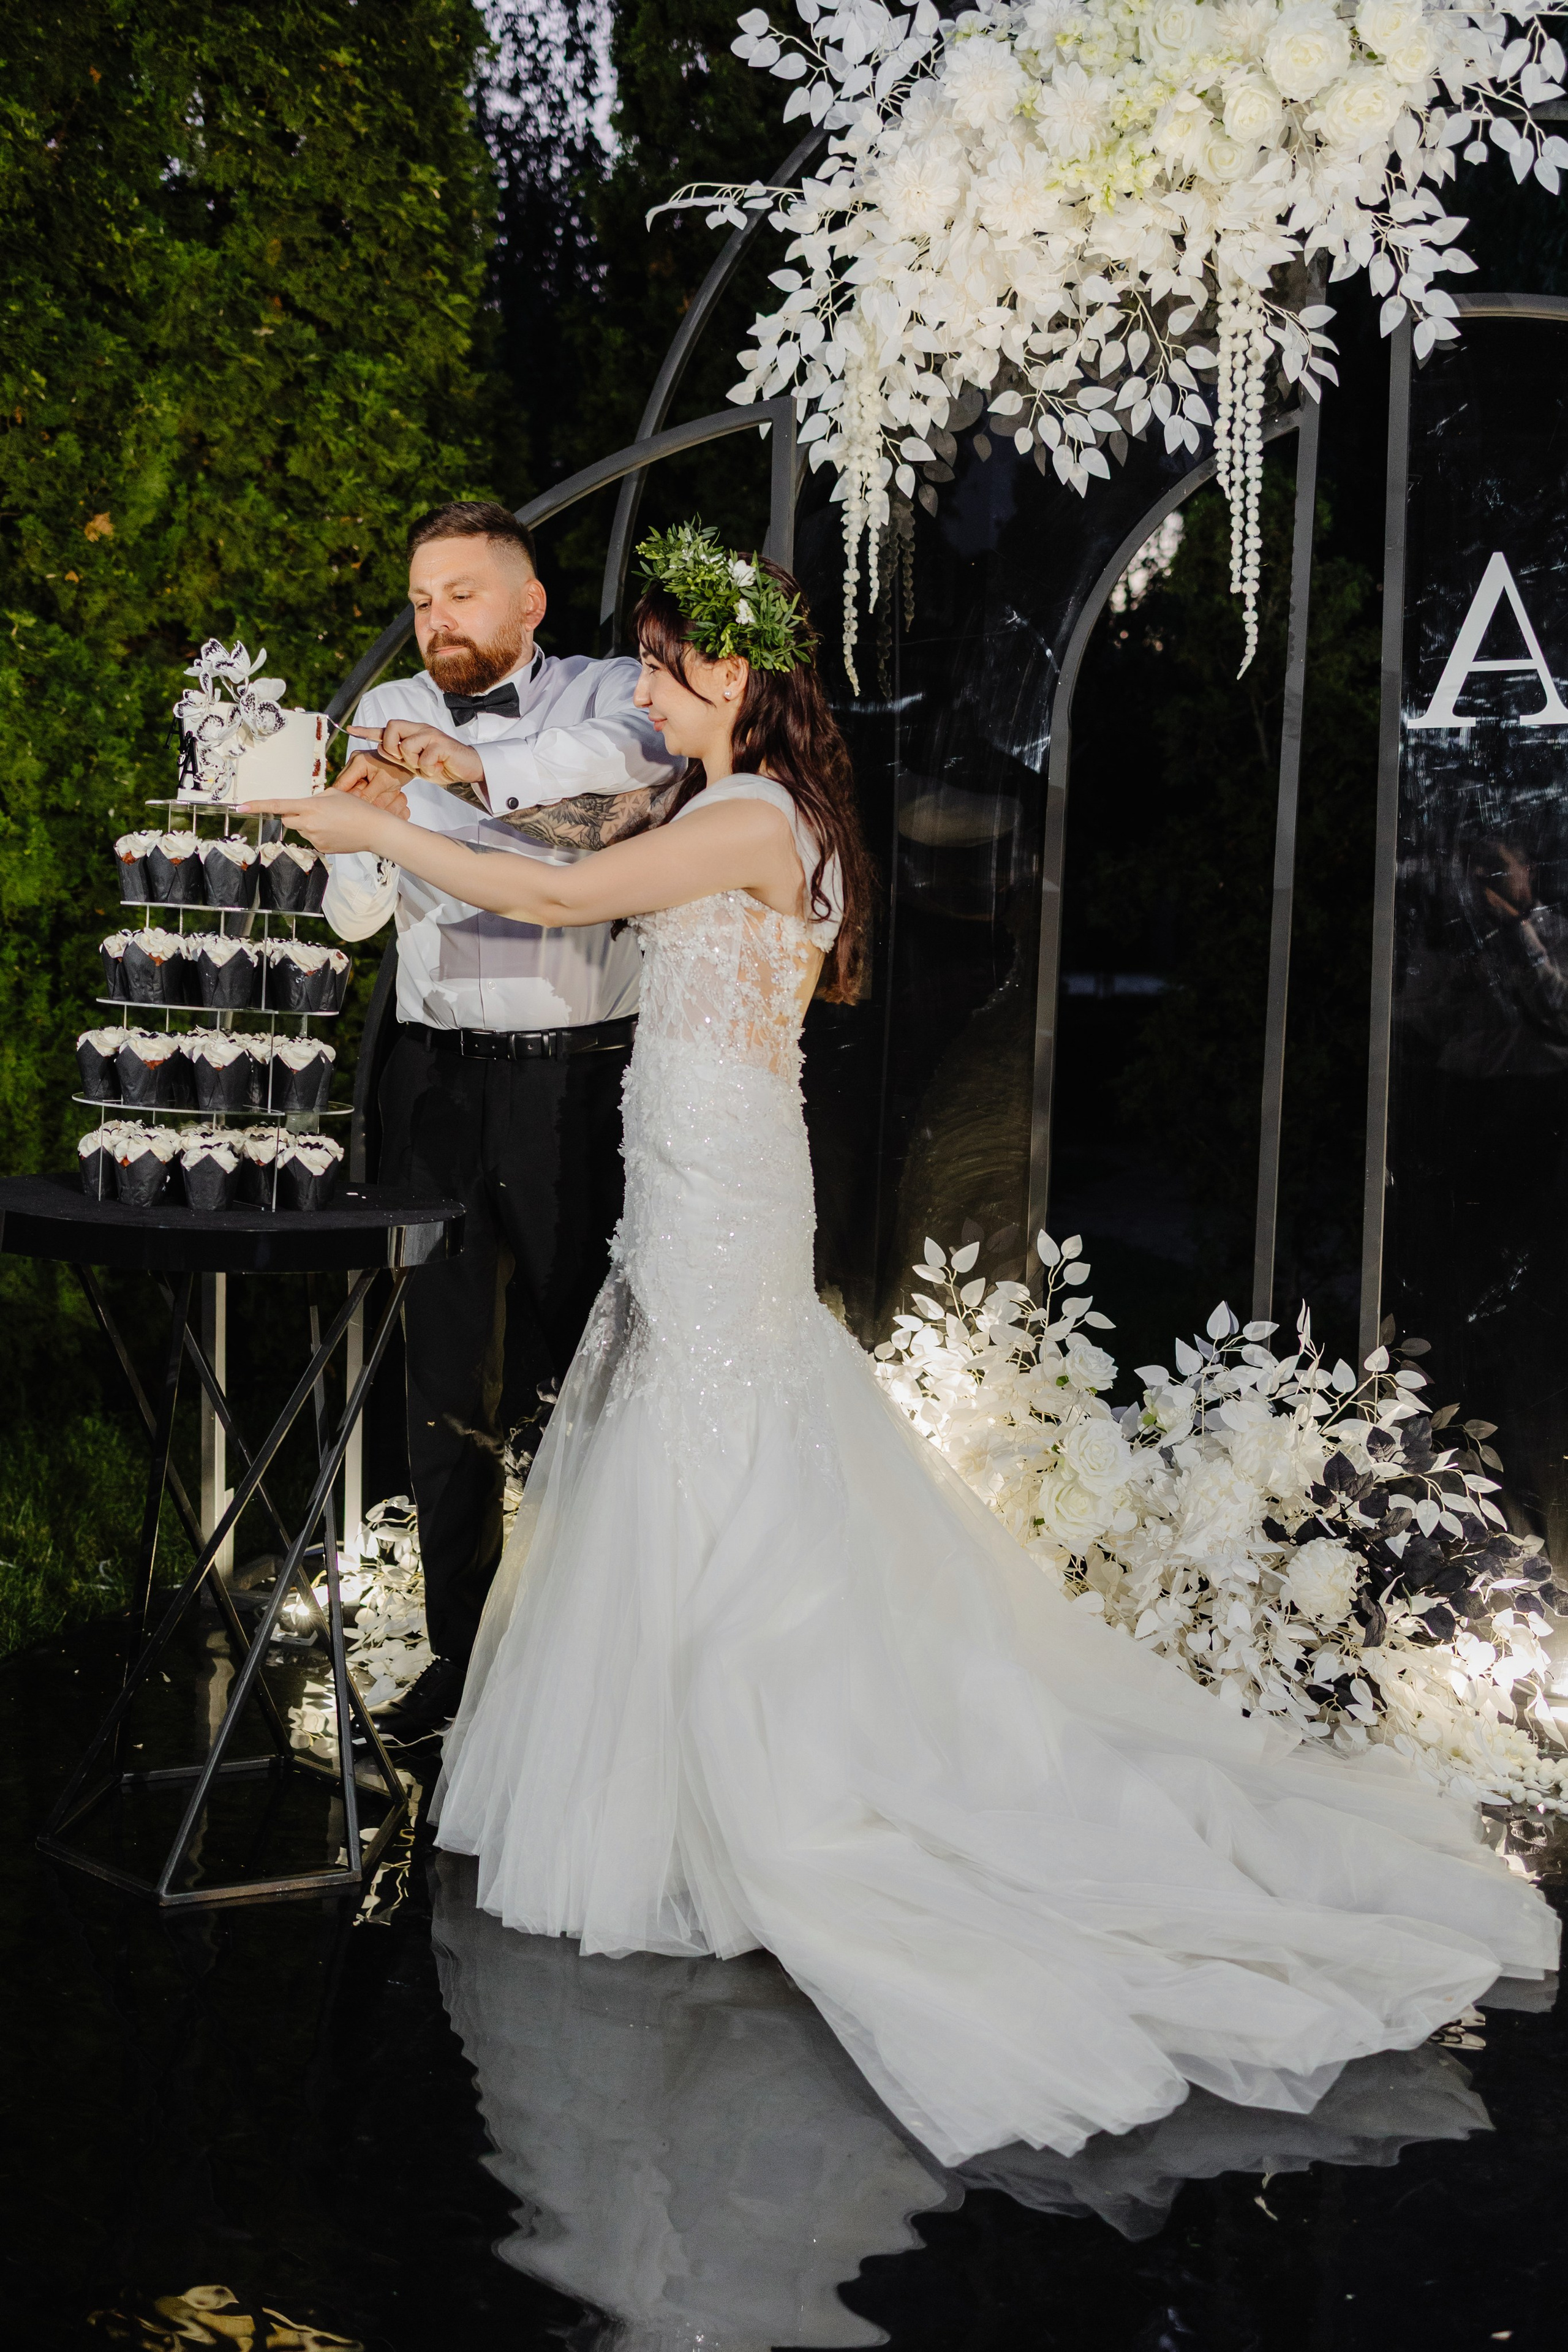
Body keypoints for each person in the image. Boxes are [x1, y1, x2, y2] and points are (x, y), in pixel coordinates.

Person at [249, 521, 1558, 2169]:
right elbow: (560, 818)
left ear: (725, 675)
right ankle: (678, 1752)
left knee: (714, 1434)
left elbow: (560, 886)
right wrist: (441, 777)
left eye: (658, 660)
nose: (640, 682)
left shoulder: (736, 814)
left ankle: (754, 1778)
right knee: (696, 1430)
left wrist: (351, 816)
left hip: (716, 1176)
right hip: (701, 1162)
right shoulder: (734, 803)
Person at [323, 500, 684, 1745]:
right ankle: (462, 1656)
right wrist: (365, 830)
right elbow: (354, 920)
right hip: (430, 1082)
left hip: (571, 1078)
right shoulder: (380, 713)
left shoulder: (607, 693)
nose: (435, 622)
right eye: (421, 600)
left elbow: (611, 788)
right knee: (441, 1379)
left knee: (590, 1361)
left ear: (528, 604)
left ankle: (598, 1664)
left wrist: (450, 781)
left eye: (460, 595)